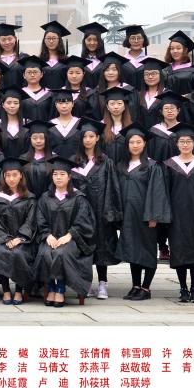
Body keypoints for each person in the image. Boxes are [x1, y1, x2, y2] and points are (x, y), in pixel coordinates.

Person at [115, 124, 172, 301]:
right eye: (131, 142)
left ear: (145, 143)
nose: (135, 145)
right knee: (132, 250)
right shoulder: (121, 166)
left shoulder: (152, 166)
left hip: (145, 216)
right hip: (128, 216)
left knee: (147, 250)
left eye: (138, 142)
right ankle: (135, 286)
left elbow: (157, 192)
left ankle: (146, 288)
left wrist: (153, 216)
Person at [71, 118, 124, 300]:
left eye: (91, 136)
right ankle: (84, 283)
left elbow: (112, 187)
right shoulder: (74, 162)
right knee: (82, 246)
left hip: (101, 210)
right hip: (79, 212)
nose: (87, 140)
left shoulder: (105, 161)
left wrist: (110, 212)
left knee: (102, 247)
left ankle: (102, 284)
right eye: (84, 136)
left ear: (97, 138)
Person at [34, 156, 97, 307]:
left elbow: (84, 221)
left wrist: (70, 235)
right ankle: (51, 288)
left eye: (62, 174)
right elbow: (40, 219)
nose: (58, 177)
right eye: (55, 174)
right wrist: (47, 234)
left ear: (69, 177)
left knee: (61, 253)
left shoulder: (78, 197)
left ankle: (60, 290)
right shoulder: (45, 197)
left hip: (73, 240)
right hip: (50, 238)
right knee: (45, 253)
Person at [164, 123, 194, 304]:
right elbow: (165, 192)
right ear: (176, 144)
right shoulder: (169, 165)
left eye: (188, 141)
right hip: (176, 216)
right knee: (179, 251)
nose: (185, 144)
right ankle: (183, 288)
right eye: (182, 141)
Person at [0, 158, 37, 305]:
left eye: (15, 175)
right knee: (1, 252)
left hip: (24, 241)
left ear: (21, 175)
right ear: (3, 177)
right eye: (7, 175)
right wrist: (6, 239)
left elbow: (31, 221)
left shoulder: (29, 198)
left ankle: (19, 291)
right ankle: (6, 290)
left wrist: (19, 238)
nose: (11, 179)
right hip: (1, 239)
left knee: (18, 253)